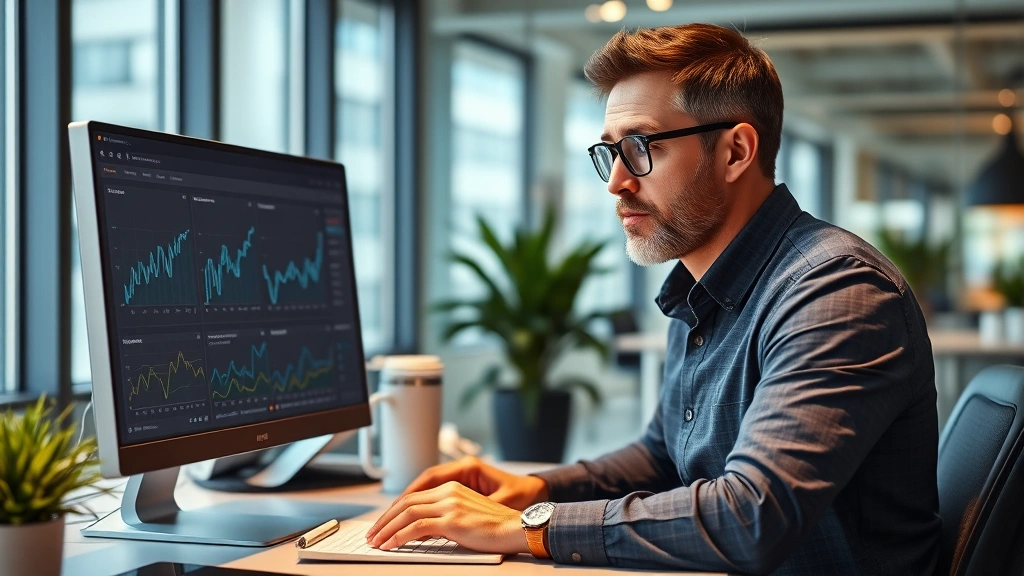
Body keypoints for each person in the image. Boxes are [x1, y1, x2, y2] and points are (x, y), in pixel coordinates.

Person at [365, 23, 941, 574]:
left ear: (736, 151)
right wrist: (535, 489)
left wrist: (530, 527)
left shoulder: (835, 291)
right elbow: (663, 458)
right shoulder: (700, 290)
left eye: (641, 146)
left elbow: (751, 516)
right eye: (609, 151)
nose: (616, 181)